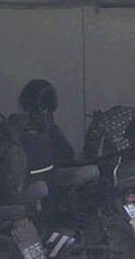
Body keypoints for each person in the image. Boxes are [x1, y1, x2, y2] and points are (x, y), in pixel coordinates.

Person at [11, 79, 98, 232]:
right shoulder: (47, 124)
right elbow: (67, 152)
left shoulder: (12, 125)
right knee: (92, 171)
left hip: (27, 183)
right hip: (47, 181)